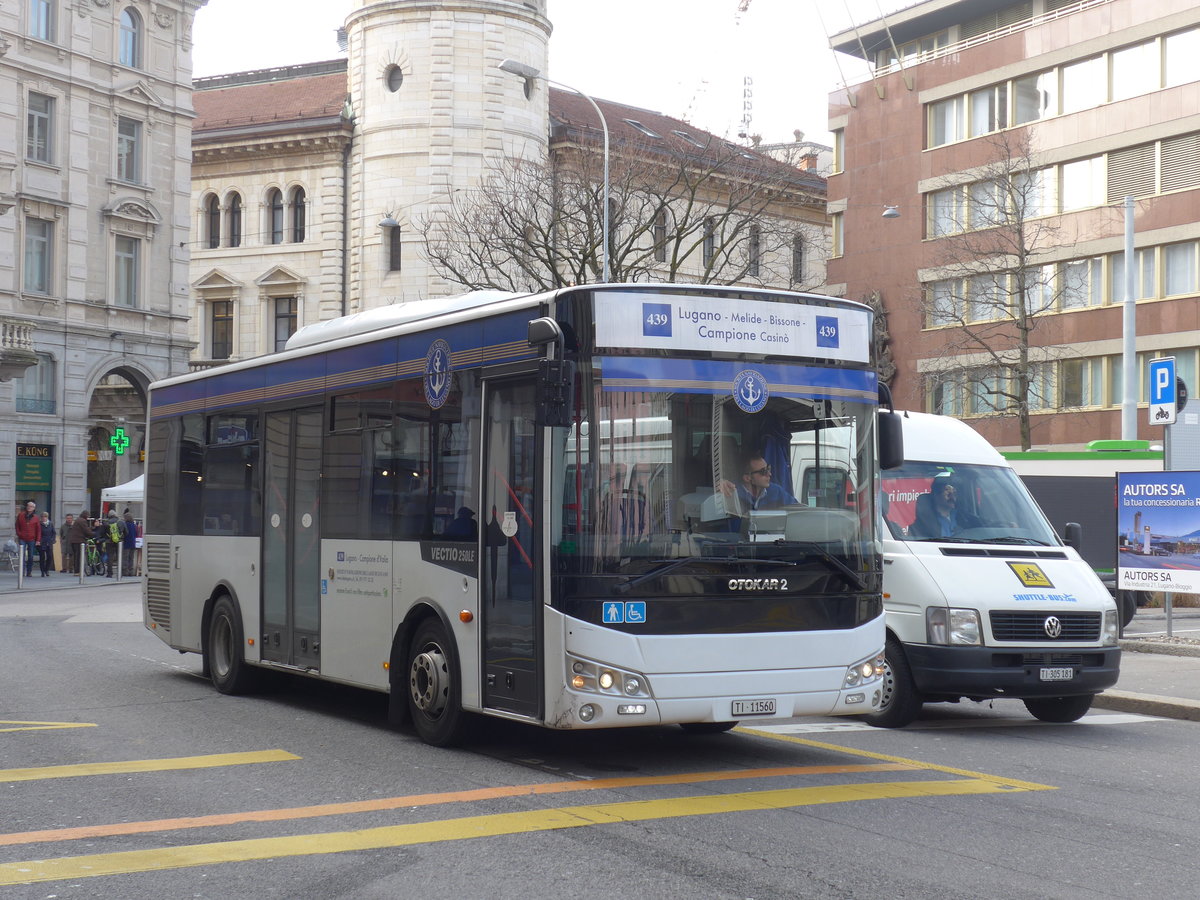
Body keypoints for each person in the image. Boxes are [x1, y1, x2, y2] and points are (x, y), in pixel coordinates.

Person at [911, 474, 982, 539]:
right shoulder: (922, 524)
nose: (952, 497)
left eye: (954, 493)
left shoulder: (966, 518)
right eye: (948, 493)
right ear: (936, 495)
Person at [721, 454, 799, 512]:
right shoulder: (731, 493)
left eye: (768, 469)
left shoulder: (776, 491)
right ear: (747, 478)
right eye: (763, 471)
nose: (769, 474)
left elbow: (799, 510)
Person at [14, 499, 39, 579]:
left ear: (34, 508)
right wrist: (19, 534)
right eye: (28, 506)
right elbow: (17, 525)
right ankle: (22, 571)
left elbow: (38, 530)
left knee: (31, 556)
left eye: (31, 506)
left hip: (31, 539)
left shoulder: (36, 518)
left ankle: (29, 571)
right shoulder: (21, 515)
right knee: (22, 555)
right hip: (23, 538)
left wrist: (38, 540)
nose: (29, 508)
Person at [103, 512, 126, 577]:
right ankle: (120, 573)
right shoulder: (121, 522)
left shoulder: (106, 522)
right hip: (119, 541)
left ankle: (109, 573)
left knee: (110, 557)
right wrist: (121, 537)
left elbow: (103, 533)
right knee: (120, 556)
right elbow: (126, 532)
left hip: (109, 541)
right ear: (116, 515)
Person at [38, 512, 56, 577]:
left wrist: (53, 539)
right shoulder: (39, 524)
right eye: (42, 517)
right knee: (42, 557)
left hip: (49, 542)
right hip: (42, 542)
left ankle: (47, 570)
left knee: (49, 557)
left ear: (47, 517)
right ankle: (42, 571)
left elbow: (53, 533)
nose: (43, 518)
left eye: (45, 517)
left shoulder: (50, 524)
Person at [122, 510, 138, 575]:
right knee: (131, 558)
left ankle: (125, 572)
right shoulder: (134, 525)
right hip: (133, 543)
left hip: (126, 543)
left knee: (125, 558)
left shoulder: (125, 524)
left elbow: (124, 534)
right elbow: (136, 534)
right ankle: (131, 572)